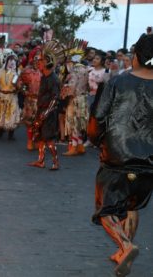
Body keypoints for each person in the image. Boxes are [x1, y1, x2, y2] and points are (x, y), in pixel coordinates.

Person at [89, 33, 153, 277]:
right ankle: (123, 252)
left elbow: (99, 118)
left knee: (106, 209)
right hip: (148, 162)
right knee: (132, 204)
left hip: (118, 158)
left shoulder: (118, 82)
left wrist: (96, 140)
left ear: (137, 56)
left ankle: (125, 245)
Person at [28, 41, 64, 170]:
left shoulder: (53, 79)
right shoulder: (44, 77)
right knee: (40, 137)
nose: (38, 62)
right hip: (42, 110)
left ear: (47, 62)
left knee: (48, 138)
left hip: (48, 113)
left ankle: (56, 162)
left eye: (41, 60)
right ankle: (41, 160)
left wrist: (46, 112)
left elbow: (55, 98)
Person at [61, 40, 89, 156]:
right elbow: (87, 86)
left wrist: (63, 89)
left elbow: (71, 89)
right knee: (78, 123)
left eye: (69, 59)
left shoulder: (74, 71)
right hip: (82, 99)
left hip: (74, 99)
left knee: (73, 124)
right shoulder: (85, 69)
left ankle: (73, 147)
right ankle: (80, 146)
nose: (68, 61)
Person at [0, 50, 21, 140]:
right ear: (6, 61)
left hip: (11, 96)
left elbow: (18, 87)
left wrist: (17, 85)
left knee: (12, 114)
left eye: (13, 61)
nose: (11, 62)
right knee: (0, 113)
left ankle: (11, 134)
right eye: (10, 60)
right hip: (1, 95)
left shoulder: (16, 73)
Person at [18, 49, 42, 150]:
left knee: (40, 122)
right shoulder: (26, 71)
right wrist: (25, 91)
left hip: (41, 101)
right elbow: (19, 82)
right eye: (35, 58)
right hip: (30, 100)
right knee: (30, 122)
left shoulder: (44, 71)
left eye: (40, 58)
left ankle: (36, 140)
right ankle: (29, 141)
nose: (37, 60)